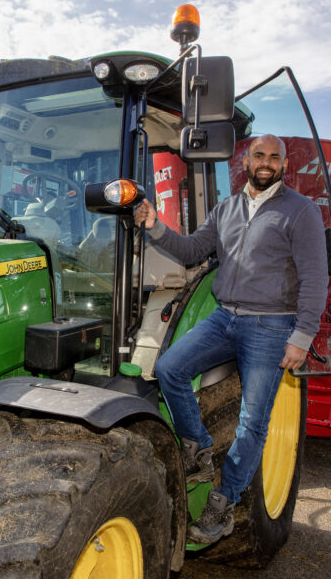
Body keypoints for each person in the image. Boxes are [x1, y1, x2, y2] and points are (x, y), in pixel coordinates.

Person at [134, 134, 328, 544]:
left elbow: (314, 278)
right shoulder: (227, 209)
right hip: (224, 318)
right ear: (247, 162)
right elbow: (190, 251)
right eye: (259, 155)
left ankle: (223, 503)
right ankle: (198, 448)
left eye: (275, 157)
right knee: (169, 367)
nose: (266, 163)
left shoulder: (301, 211)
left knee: (252, 423)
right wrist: (155, 227)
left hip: (271, 326)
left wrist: (302, 336)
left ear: (284, 165)